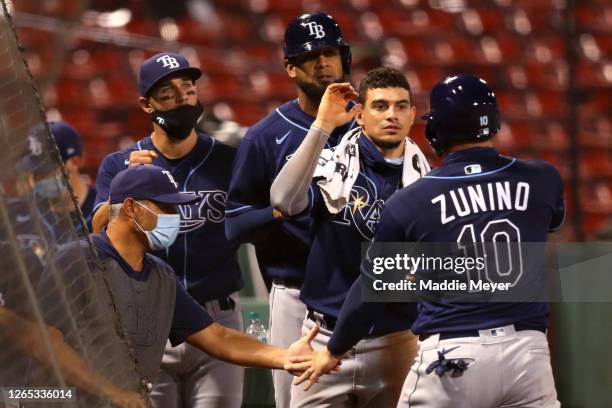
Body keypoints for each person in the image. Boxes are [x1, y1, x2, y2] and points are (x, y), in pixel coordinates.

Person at [300, 75, 564, 407]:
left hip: (453, 354)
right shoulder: (544, 178)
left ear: (436, 129)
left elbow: (372, 287)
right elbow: (549, 220)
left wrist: (333, 349)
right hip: (528, 351)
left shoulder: (412, 200)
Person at [39, 165, 324, 405]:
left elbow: (217, 337)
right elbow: (44, 341)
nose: (175, 216)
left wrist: (284, 355)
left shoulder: (160, 276)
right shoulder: (77, 258)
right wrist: (112, 393)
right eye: (166, 206)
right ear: (130, 208)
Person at [91, 52, 245, 408]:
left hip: (216, 313)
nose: (181, 97)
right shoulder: (119, 164)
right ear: (146, 104)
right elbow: (97, 232)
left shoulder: (227, 160)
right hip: (144, 314)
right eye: (168, 92)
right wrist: (124, 188)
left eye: (187, 88)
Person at [270, 67, 430, 407]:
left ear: (413, 114)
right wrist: (323, 126)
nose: (392, 115)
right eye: (380, 105)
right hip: (321, 337)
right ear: (359, 114)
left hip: (397, 339)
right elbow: (283, 199)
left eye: (401, 106)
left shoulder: (428, 183)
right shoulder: (332, 167)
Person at [225, 12, 356, 408]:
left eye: (330, 52)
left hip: (365, 287)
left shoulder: (372, 121)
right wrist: (279, 213)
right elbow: (235, 225)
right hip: (297, 296)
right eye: (310, 55)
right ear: (290, 67)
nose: (323, 62)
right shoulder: (266, 136)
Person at [49, 120, 97, 231]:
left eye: (49, 168)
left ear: (75, 161)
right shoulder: (30, 213)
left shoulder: (101, 212)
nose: (39, 178)